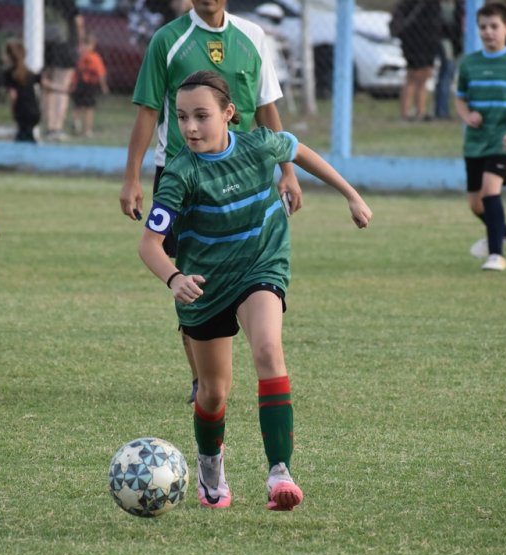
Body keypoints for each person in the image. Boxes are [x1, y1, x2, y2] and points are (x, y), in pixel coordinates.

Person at [138, 70, 372, 510]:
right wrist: (174, 277)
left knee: (268, 350)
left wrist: (351, 194)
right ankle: (211, 463)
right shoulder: (179, 175)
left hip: (260, 266)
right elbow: (148, 245)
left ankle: (279, 472)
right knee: (214, 391)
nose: (190, 127)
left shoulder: (259, 143)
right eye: (183, 117)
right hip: (204, 285)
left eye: (202, 116)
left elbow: (299, 150)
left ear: (230, 114)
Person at [119, 0, 302, 405]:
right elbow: (149, 112)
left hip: (243, 169)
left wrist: (287, 171)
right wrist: (132, 176)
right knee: (190, 273)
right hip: (182, 172)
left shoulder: (253, 37)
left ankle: (234, 360)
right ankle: (201, 376)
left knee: (249, 266)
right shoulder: (168, 40)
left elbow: (267, 106)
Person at [455, 2, 506, 272]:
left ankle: (496, 255)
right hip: (475, 143)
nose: (488, 32)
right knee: (475, 204)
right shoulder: (469, 63)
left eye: (494, 26)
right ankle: (502, 229)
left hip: (503, 141)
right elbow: (460, 99)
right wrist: (467, 116)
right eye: (483, 27)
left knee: (491, 191)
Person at [391, 0, 441, 121]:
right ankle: (405, 113)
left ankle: (420, 111)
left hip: (429, 39)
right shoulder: (410, 3)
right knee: (413, 74)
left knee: (425, 74)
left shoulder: (433, 5)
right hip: (413, 38)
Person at [42, 0, 83, 141]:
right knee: (62, 84)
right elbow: (78, 21)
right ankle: (56, 127)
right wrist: (80, 42)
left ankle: (48, 125)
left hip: (45, 43)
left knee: (47, 83)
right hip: (65, 44)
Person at [3, 37, 41, 143]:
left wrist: (12, 110)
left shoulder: (9, 74)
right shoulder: (29, 72)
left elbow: (13, 95)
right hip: (34, 111)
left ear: (10, 56)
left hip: (22, 111)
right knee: (27, 135)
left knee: (21, 137)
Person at [71, 33, 108, 138]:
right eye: (83, 45)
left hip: (90, 86)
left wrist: (103, 85)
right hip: (80, 84)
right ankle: (76, 123)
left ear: (93, 46)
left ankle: (87, 129)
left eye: (87, 45)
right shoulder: (80, 58)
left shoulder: (95, 58)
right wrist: (73, 83)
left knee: (89, 108)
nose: (84, 48)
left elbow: (101, 73)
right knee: (77, 105)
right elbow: (76, 73)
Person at [435, 0, 463, 120]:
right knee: (447, 73)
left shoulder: (459, 6)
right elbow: (443, 28)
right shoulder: (441, 6)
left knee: (450, 75)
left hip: (457, 44)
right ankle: (442, 111)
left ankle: (445, 110)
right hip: (446, 42)